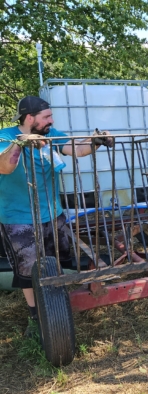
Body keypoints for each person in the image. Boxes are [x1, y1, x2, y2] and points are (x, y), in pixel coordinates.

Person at [0, 95, 113, 335]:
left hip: (53, 213)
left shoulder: (50, 134)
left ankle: (55, 303)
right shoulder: (6, 136)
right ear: (30, 118)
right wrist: (21, 143)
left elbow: (76, 148)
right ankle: (35, 315)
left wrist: (96, 140)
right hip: (18, 217)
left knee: (58, 260)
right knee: (28, 270)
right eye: (46, 117)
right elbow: (5, 166)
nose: (51, 120)